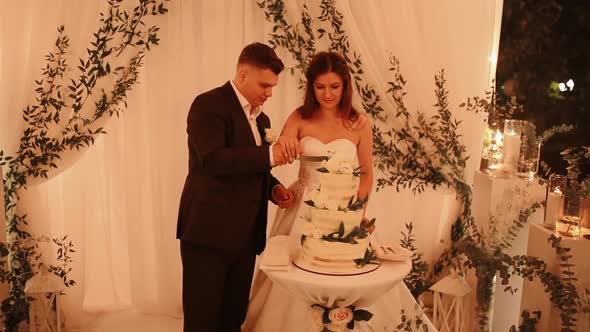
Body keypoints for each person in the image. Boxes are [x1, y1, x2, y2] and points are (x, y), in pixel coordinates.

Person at [243, 52, 435, 331]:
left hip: (346, 208)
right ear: (311, 87)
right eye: (320, 87)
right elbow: (282, 143)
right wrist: (285, 141)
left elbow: (367, 173)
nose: (327, 94)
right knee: (294, 276)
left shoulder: (360, 123)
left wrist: (359, 211)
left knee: (348, 275)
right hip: (303, 208)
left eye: (334, 87)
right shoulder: (300, 116)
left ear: (345, 86)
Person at [176, 42, 300, 332]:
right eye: (264, 85)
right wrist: (271, 154)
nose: (269, 93)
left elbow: (254, 168)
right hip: (207, 234)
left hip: (245, 238)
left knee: (233, 319)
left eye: (273, 87)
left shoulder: (263, 119)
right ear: (243, 75)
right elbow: (213, 160)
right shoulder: (207, 104)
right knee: (202, 321)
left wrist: (274, 189)